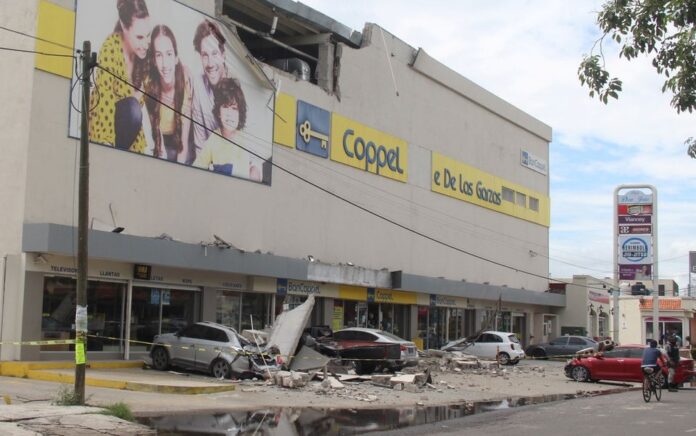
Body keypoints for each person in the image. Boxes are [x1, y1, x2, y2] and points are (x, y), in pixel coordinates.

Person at [90, 0, 151, 152]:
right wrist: (106, 145)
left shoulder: (143, 58)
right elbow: (105, 99)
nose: (145, 44)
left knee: (134, 109)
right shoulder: (110, 48)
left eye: (148, 35)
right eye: (139, 37)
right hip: (103, 126)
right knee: (133, 108)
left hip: (127, 133)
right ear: (124, 27)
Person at [192, 78, 260, 180]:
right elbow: (197, 168)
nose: (229, 114)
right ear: (218, 112)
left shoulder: (247, 138)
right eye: (225, 107)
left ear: (240, 113)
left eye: (234, 108)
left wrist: (254, 170)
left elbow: (257, 165)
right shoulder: (213, 140)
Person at [143, 25, 193, 163]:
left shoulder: (186, 83)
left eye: (169, 54)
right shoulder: (148, 84)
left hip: (180, 140)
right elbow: (156, 142)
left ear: (176, 57)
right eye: (159, 55)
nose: (165, 64)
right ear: (153, 60)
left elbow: (183, 145)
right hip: (158, 139)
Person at [191, 19, 229, 155]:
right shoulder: (198, 84)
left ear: (223, 55)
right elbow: (199, 145)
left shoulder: (238, 88)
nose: (210, 63)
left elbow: (254, 162)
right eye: (205, 55)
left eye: (214, 54)